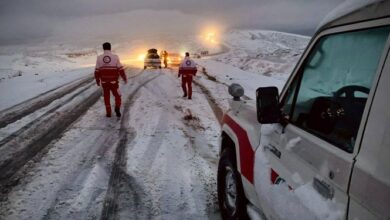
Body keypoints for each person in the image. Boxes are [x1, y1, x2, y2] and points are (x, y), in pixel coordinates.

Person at [94, 42, 127, 117]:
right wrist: (124, 78)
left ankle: (108, 113)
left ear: (103, 48)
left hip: (104, 82)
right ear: (110, 48)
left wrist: (97, 80)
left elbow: (96, 71)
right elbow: (120, 69)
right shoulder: (115, 57)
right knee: (118, 96)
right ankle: (117, 107)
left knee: (106, 96)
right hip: (114, 82)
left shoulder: (99, 58)